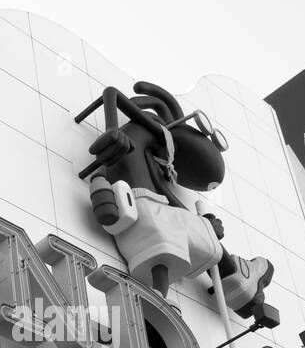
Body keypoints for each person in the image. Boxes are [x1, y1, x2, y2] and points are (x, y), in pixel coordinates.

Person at [75, 81, 277, 323]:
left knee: (167, 250)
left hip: (147, 207)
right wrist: (111, 130)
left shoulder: (148, 149)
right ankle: (235, 275)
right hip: (141, 205)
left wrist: (201, 222)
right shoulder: (155, 131)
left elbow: (163, 191)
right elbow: (112, 94)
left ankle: (161, 298)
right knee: (180, 242)